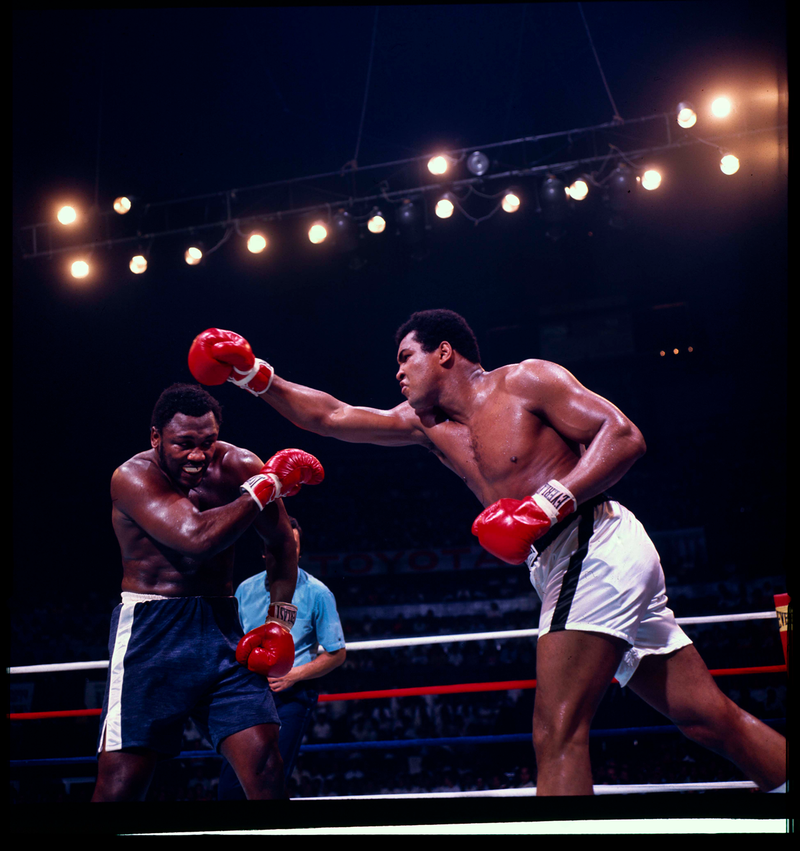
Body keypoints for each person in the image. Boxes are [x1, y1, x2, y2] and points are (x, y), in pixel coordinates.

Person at [186, 315, 787, 796]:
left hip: (591, 541)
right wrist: (253, 374)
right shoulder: (425, 425)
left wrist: (548, 503)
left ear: (444, 352)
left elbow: (623, 435)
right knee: (704, 716)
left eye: (406, 357)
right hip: (561, 560)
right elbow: (331, 416)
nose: (398, 372)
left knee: (556, 731)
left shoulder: (527, 381)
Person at [91, 383, 324, 801]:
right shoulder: (132, 477)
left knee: (266, 767)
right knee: (121, 786)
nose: (198, 455)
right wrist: (264, 488)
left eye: (207, 442)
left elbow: (282, 544)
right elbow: (195, 539)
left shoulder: (240, 466)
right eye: (184, 444)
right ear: (156, 437)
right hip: (151, 630)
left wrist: (279, 620)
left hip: (220, 626)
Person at [218, 515, 346, 799]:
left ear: (299, 551)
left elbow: (336, 654)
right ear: (265, 551)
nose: (286, 551)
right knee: (230, 786)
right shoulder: (245, 590)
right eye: (279, 545)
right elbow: (232, 643)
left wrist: (293, 675)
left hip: (291, 696)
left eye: (293, 546)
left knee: (270, 780)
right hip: (247, 695)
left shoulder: (318, 593)